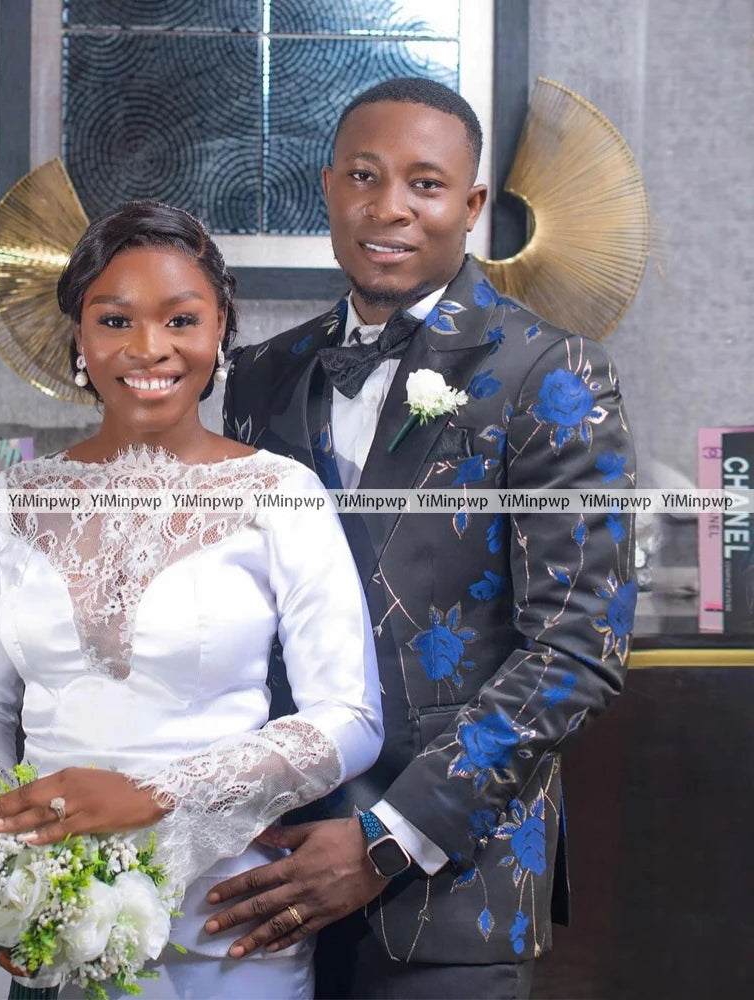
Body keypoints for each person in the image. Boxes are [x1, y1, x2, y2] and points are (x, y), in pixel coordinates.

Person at [212, 78, 637, 999]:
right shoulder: (259, 378)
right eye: (364, 177)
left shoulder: (552, 373)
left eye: (425, 184)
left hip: (455, 889)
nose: (389, 208)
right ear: (327, 187)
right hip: (261, 869)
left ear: (473, 205)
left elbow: (578, 646)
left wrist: (388, 836)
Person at [0, 201, 383, 999]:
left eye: (182, 319)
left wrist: (154, 799)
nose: (150, 348)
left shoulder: (280, 494)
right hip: (44, 929)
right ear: (80, 336)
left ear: (221, 331)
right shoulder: (15, 499)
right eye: (115, 320)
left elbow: (349, 717)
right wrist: (2, 857)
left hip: (224, 928)